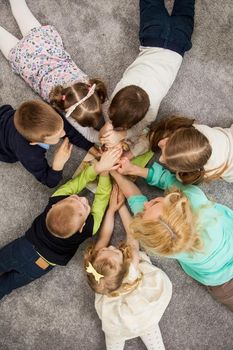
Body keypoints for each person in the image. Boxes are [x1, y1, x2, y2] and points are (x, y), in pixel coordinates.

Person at [110, 158, 233, 311]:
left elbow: (135, 197)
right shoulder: (193, 199)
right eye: (152, 204)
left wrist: (115, 173)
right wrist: (132, 169)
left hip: (221, 283)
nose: (146, 204)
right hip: (224, 282)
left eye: (153, 203)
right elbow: (168, 180)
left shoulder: (161, 244)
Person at [0, 147, 122, 300]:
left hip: (23, 248)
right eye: (83, 205)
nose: (83, 199)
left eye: (76, 199)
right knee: (7, 285)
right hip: (40, 266)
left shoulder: (57, 199)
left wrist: (97, 167)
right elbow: (102, 198)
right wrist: (103, 173)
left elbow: (76, 183)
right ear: (82, 226)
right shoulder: (89, 228)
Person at [0, 0, 107, 142]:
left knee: (20, 8)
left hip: (43, 42)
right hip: (25, 60)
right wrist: (101, 138)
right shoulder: (63, 106)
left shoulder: (87, 83)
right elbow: (86, 134)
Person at [100, 0, 195, 157]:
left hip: (179, 40)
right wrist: (110, 126)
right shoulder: (122, 87)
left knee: (186, 6)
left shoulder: (150, 112)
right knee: (150, 3)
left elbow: (138, 128)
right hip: (153, 35)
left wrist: (116, 131)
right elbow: (110, 107)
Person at [85, 185, 172, 350]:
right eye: (116, 253)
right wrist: (122, 206)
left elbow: (105, 234)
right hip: (142, 312)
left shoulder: (95, 268)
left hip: (117, 318)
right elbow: (132, 232)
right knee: (150, 330)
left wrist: (112, 210)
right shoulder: (132, 262)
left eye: (105, 249)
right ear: (125, 265)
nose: (110, 247)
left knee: (114, 337)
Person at [0, 102, 96, 187]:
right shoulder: (29, 154)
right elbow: (48, 181)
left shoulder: (51, 116)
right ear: (35, 142)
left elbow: (69, 130)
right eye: (58, 136)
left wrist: (90, 147)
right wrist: (58, 164)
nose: (63, 133)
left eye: (61, 127)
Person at [148, 115, 233, 184]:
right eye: (167, 141)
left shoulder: (206, 171)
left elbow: (179, 179)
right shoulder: (197, 130)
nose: (160, 159)